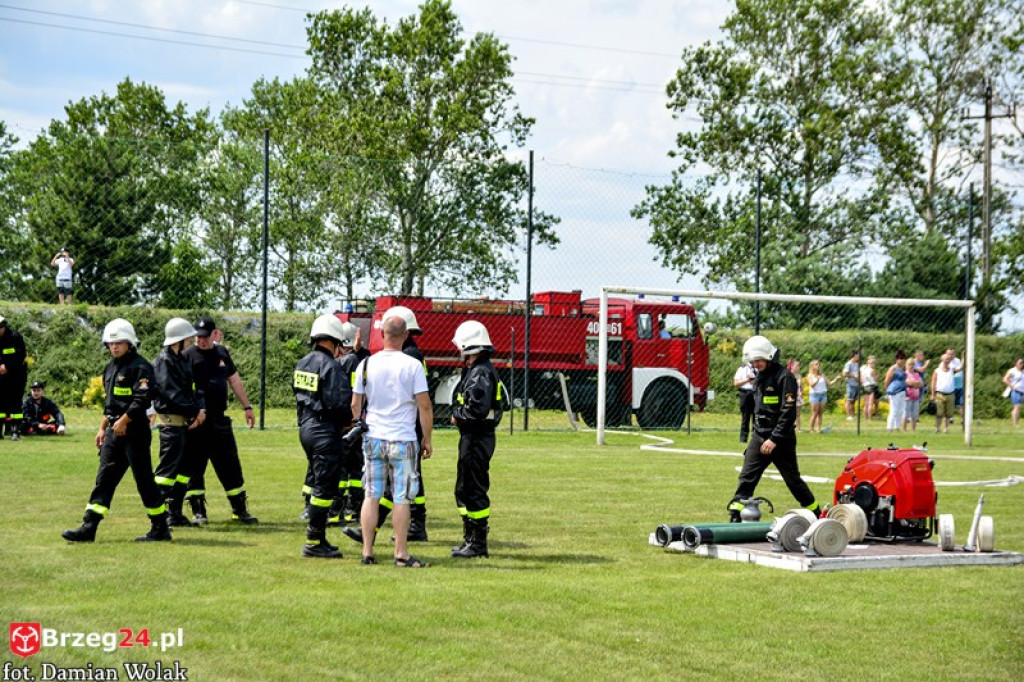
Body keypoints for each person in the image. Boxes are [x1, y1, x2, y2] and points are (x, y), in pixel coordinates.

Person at [61, 318, 171, 543]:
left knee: (143, 480)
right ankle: (89, 527)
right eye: (111, 343)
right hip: (114, 431)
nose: (114, 347)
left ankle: (160, 527)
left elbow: (142, 399)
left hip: (135, 431)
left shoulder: (141, 367)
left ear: (129, 343)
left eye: (119, 342)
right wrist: (103, 428)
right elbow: (109, 404)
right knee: (105, 478)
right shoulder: (110, 368)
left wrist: (124, 420)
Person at [352, 315, 433, 568]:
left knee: (371, 495)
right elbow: (425, 405)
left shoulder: (366, 364)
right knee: (401, 497)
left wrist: (360, 425)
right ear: (406, 335)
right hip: (403, 439)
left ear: (382, 334)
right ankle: (401, 553)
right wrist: (427, 438)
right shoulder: (413, 366)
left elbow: (356, 403)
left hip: (374, 437)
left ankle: (367, 551)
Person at [727, 335, 821, 522]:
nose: (756, 363)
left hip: (781, 440)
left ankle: (817, 513)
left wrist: (774, 439)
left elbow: (788, 412)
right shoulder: (760, 376)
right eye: (753, 361)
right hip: (760, 436)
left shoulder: (785, 377)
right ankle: (736, 515)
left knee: (793, 481)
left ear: (769, 357)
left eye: (759, 360)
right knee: (747, 477)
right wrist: (759, 436)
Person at [183, 316, 259, 525]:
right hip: (197, 421)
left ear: (214, 334)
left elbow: (234, 379)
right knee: (195, 467)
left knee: (230, 464)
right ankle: (199, 511)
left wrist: (247, 407)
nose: (201, 341)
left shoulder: (222, 352)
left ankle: (239, 510)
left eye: (205, 337)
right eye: (198, 337)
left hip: (219, 419)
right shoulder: (187, 355)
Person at [293, 314, 350, 559]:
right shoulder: (331, 367)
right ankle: (314, 541)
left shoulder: (302, 362)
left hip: (305, 427)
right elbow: (338, 403)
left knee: (318, 482)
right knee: (325, 488)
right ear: (335, 341)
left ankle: (320, 538)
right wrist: (349, 422)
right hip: (325, 431)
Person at [450, 320, 507, 559]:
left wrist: (457, 416)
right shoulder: (478, 369)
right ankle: (470, 538)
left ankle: (477, 542)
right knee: (464, 488)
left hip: (476, 436)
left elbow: (476, 410)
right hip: (474, 437)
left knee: (473, 488)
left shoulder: (481, 372)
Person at [151, 318, 206, 527]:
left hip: (185, 424)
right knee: (167, 472)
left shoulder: (181, 360)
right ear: (179, 340)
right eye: (189, 338)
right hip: (171, 425)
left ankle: (174, 513)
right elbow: (171, 394)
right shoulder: (164, 361)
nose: (193, 340)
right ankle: (159, 515)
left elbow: (193, 388)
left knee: (184, 471)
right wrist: (195, 411)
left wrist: (199, 409)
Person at [328, 322, 368, 527]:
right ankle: (355, 509)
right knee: (357, 468)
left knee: (341, 468)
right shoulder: (364, 361)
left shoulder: (341, 363)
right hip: (361, 421)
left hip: (346, 422)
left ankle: (336, 510)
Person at [0, 315, 28, 441]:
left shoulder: (15, 337)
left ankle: (15, 431)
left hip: (16, 376)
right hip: (1, 376)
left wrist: (7, 366)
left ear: (3, 327)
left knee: (15, 403)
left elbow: (21, 355)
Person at [930, 351, 956, 434]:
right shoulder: (937, 371)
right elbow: (933, 383)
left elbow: (960, 368)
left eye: (948, 359)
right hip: (940, 394)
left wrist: (963, 358)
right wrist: (933, 394)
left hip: (950, 394)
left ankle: (946, 429)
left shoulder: (952, 369)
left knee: (948, 414)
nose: (947, 361)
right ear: (942, 360)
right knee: (939, 413)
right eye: (945, 359)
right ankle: (937, 428)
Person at [884, 350, 907, 433]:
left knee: (901, 410)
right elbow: (887, 381)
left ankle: (897, 427)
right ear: (896, 359)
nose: (901, 360)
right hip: (894, 392)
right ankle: (889, 427)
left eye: (903, 358)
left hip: (902, 391)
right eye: (899, 358)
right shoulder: (893, 368)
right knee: (893, 410)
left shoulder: (904, 368)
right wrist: (887, 391)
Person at [733, 361, 757, 443]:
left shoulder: (758, 368)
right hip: (745, 393)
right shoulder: (742, 368)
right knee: (745, 417)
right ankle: (743, 439)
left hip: (756, 393)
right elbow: (736, 383)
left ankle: (755, 438)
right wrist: (747, 380)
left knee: (756, 417)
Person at [805, 359, 829, 434]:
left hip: (823, 394)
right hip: (814, 395)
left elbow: (829, 383)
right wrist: (817, 380)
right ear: (812, 366)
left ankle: (819, 429)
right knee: (815, 413)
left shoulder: (822, 374)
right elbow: (811, 385)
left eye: (818, 364)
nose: (818, 365)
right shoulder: (809, 375)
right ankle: (811, 429)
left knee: (820, 413)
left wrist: (836, 379)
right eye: (816, 364)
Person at [903, 358, 924, 432]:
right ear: (906, 365)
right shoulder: (905, 374)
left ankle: (913, 430)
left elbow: (922, 384)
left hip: (916, 397)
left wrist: (914, 383)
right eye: (909, 364)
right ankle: (904, 430)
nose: (911, 366)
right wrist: (916, 383)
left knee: (914, 415)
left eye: (912, 364)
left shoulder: (917, 374)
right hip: (907, 397)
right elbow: (908, 383)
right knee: (906, 414)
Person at [1003, 358, 1024, 427]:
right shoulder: (1012, 371)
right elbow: (1005, 379)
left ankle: (1016, 423)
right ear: (1016, 363)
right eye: (1020, 362)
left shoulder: (1022, 371)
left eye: (1022, 362)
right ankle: (1015, 424)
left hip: (1022, 391)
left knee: (1018, 407)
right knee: (1016, 407)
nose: (1022, 364)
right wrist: (1012, 387)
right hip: (1015, 391)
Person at [841, 350, 860, 420]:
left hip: (856, 384)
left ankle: (853, 415)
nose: (859, 356)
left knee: (854, 401)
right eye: (858, 355)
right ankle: (848, 416)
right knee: (849, 400)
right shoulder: (848, 364)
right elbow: (844, 374)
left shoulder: (857, 364)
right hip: (850, 384)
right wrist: (854, 375)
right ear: (854, 356)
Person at [786, 358, 803, 431]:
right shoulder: (788, 375)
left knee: (798, 414)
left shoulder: (799, 376)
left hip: (799, 397)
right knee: (790, 413)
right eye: (797, 366)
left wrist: (801, 392)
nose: (798, 367)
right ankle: (789, 427)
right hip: (791, 396)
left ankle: (798, 428)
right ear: (792, 366)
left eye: (798, 366)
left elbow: (801, 386)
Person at [860, 355, 878, 420]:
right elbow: (876, 379)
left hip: (865, 385)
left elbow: (861, 377)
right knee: (870, 403)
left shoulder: (863, 369)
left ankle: (865, 417)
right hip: (871, 386)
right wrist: (877, 376)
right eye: (874, 363)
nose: (875, 364)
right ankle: (870, 418)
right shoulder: (872, 370)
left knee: (866, 403)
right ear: (872, 363)